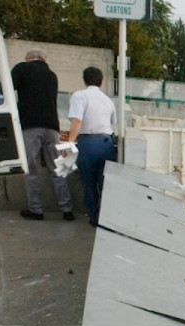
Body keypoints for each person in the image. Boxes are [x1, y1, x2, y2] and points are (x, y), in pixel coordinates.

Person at [12, 50, 74, 221]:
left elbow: (4, 88)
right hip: (52, 127)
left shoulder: (22, 69)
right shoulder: (52, 75)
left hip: (30, 126)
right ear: (43, 59)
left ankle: (36, 210)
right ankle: (67, 209)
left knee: (30, 169)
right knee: (57, 169)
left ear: (28, 58)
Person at [66, 66, 116, 226]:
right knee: (105, 183)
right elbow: (112, 122)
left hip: (88, 143)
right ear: (101, 82)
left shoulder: (79, 96)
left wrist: (69, 144)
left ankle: (94, 218)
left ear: (84, 80)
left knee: (88, 182)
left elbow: (77, 120)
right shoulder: (108, 100)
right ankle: (107, 218)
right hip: (107, 143)